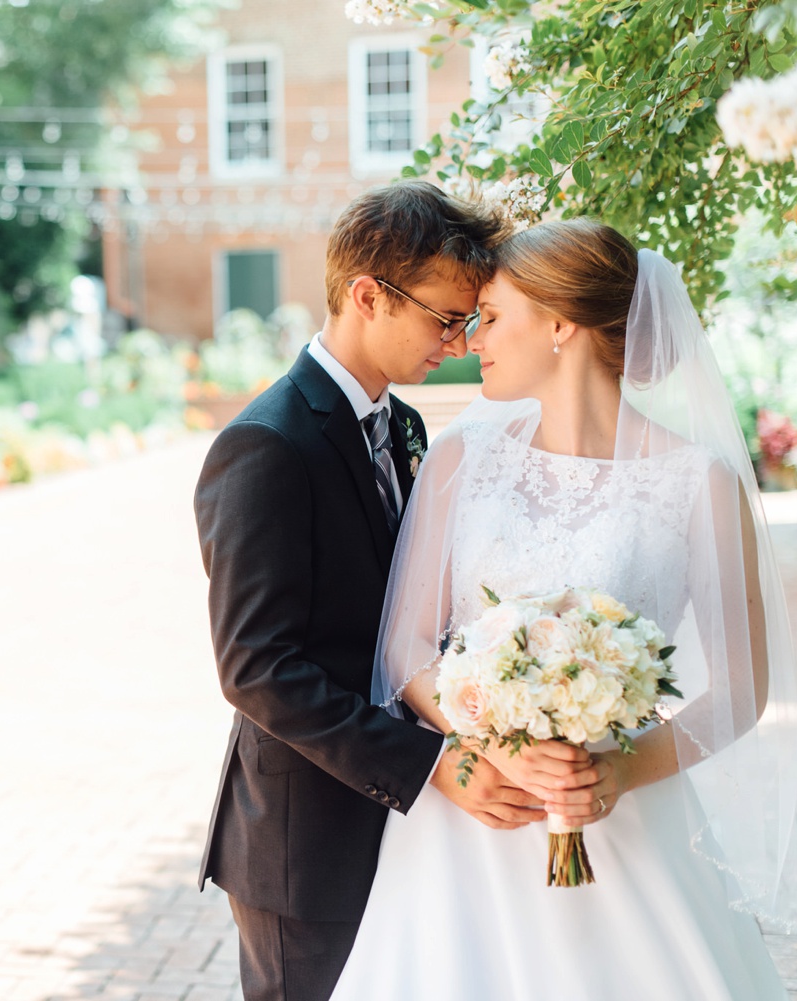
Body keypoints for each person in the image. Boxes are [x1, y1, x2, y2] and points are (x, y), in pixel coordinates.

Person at [331, 218, 797, 998]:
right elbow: (405, 652)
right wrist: (489, 743)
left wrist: (619, 771)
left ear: (561, 322)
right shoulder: (463, 456)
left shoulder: (698, 483)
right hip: (472, 821)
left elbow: (739, 691)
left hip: (625, 823)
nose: (471, 339)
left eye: (491, 316)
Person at [193, 181, 599, 1001]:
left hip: (407, 837)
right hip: (305, 842)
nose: (457, 342)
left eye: (468, 322)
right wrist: (432, 765)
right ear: (367, 295)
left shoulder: (406, 427)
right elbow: (257, 668)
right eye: (444, 317)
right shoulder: (266, 445)